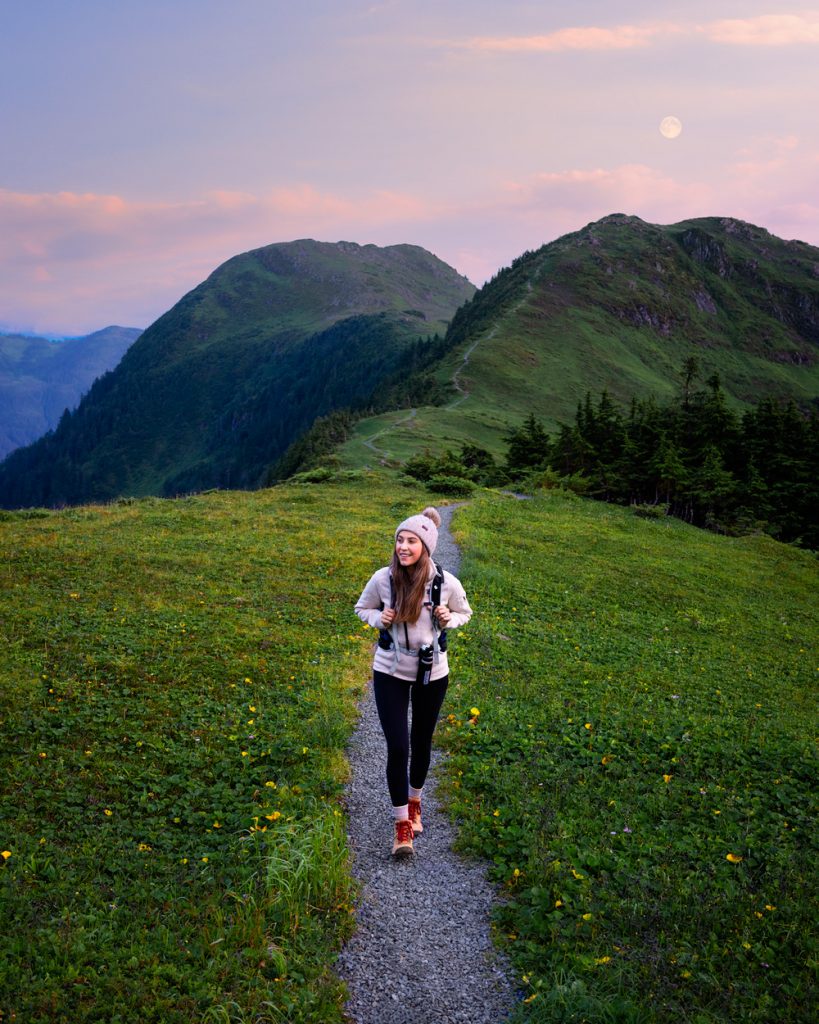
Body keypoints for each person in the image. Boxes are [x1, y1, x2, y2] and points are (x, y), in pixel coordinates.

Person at [354, 506, 473, 858]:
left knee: (422, 741)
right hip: (389, 670)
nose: (403, 547)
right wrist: (380, 618)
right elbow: (362, 608)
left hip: (432, 671)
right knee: (398, 746)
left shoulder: (445, 583)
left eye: (411, 541)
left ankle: (415, 799)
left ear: (426, 546)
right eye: (399, 540)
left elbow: (465, 613)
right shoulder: (383, 579)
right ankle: (401, 825)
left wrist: (449, 618)